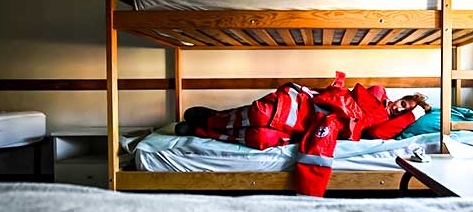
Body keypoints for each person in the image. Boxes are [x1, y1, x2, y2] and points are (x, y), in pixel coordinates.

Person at [174, 71, 432, 196]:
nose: (399, 110)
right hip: (308, 107)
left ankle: (201, 129)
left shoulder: (385, 121)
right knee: (261, 114)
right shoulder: (377, 94)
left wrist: (411, 116)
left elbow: (377, 133)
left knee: (261, 138)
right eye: (405, 104)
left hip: (310, 127)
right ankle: (213, 117)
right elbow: (361, 102)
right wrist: (399, 111)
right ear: (403, 97)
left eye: (404, 113)